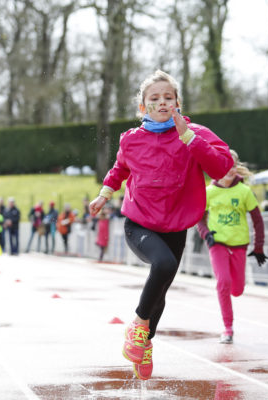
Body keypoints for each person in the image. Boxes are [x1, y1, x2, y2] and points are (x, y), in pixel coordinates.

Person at [89, 70, 233, 380]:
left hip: (176, 225)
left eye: (168, 97)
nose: (162, 102)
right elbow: (119, 168)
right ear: (143, 107)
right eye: (154, 98)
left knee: (162, 288)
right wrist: (104, 194)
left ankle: (145, 342)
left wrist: (189, 138)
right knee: (164, 264)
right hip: (139, 222)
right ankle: (138, 326)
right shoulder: (131, 139)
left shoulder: (195, 134)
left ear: (178, 103)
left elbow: (222, 167)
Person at [197, 150, 267, 344]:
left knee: (237, 290)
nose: (230, 169)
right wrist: (206, 234)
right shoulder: (209, 192)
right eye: (225, 165)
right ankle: (228, 328)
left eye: (233, 165)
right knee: (223, 282)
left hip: (239, 245)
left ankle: (230, 295)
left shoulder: (244, 192)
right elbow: (199, 218)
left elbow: (258, 220)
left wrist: (259, 247)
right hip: (217, 243)